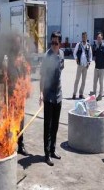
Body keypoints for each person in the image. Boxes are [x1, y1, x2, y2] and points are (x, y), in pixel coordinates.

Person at [40, 31, 64, 166]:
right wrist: (41, 93)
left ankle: (53, 150)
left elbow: (61, 70)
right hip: (48, 96)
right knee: (47, 126)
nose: (54, 45)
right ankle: (47, 153)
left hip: (58, 96)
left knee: (55, 125)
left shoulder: (61, 55)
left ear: (60, 43)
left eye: (56, 42)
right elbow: (42, 76)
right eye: (52, 42)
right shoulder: (46, 56)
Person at [6, 35, 30, 156]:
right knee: (10, 121)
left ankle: (21, 145)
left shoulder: (22, 59)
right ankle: (9, 145)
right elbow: (3, 76)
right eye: (16, 43)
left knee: (20, 121)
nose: (17, 46)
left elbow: (26, 74)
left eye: (19, 43)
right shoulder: (7, 58)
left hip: (20, 95)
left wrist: (27, 88)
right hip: (10, 95)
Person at [73, 32, 92, 99]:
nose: (84, 38)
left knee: (83, 81)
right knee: (77, 80)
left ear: (87, 37)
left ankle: (81, 94)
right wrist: (76, 59)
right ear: (82, 37)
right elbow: (74, 53)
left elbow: (90, 55)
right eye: (83, 37)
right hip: (80, 65)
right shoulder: (78, 44)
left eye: (85, 37)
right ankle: (74, 94)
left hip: (85, 66)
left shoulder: (88, 45)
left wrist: (89, 63)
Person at [92, 32, 104, 101]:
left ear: (102, 38)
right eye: (97, 38)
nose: (98, 39)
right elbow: (95, 55)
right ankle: (94, 95)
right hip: (96, 67)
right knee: (94, 82)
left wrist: (103, 61)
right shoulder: (96, 46)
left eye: (99, 37)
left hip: (102, 68)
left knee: (100, 82)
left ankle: (100, 95)